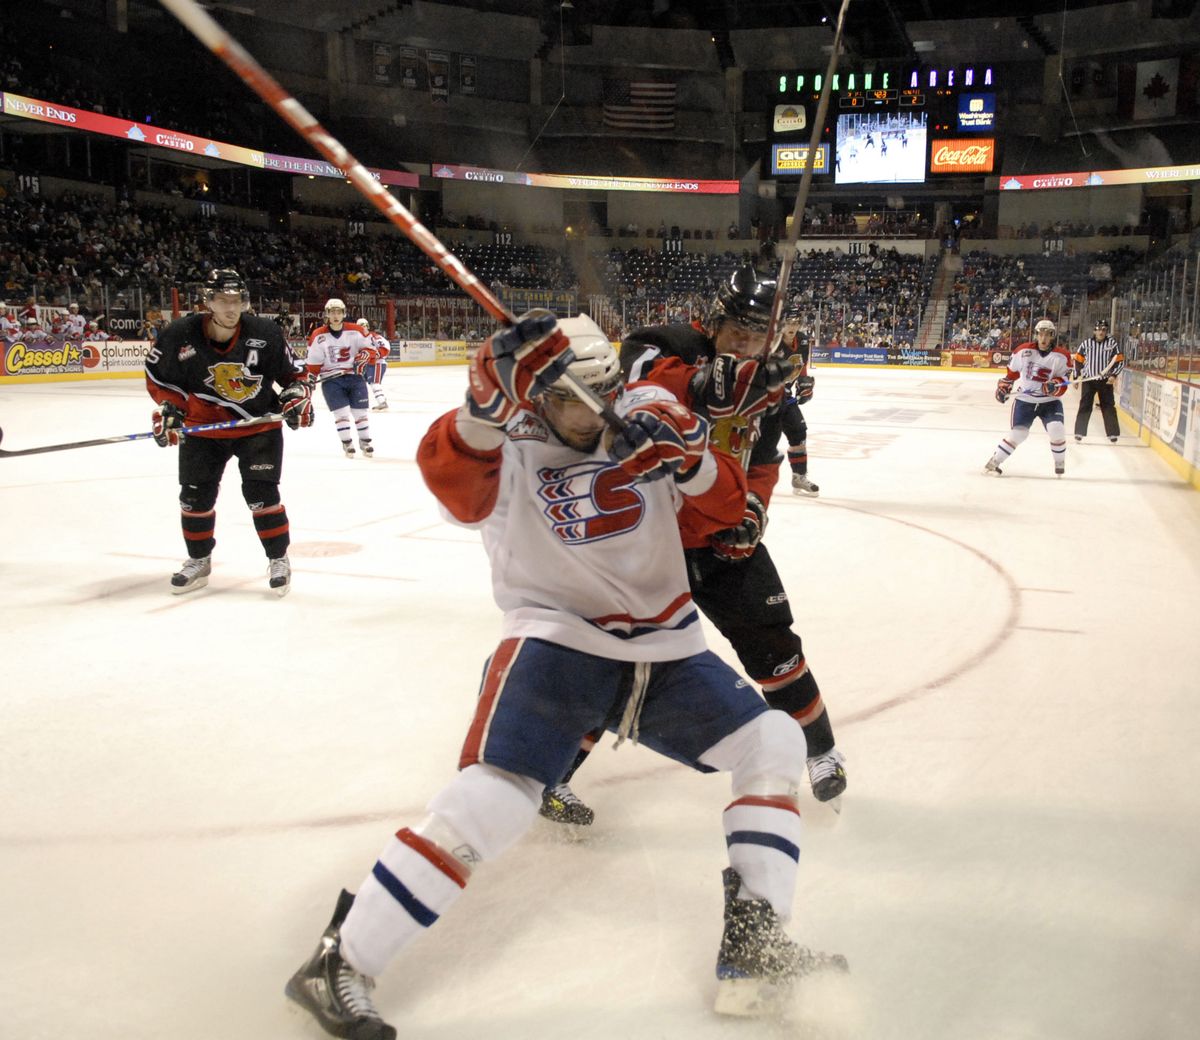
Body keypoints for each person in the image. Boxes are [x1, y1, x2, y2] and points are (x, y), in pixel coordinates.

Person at [284, 312, 847, 1038]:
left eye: (602, 391)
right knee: (499, 799)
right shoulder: (503, 442)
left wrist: (695, 460)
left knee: (771, 744)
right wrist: (484, 409)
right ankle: (340, 961)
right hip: (557, 645)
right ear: (534, 396)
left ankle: (755, 951)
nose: (591, 412)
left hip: (665, 649)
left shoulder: (647, 415)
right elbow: (451, 482)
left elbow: (727, 510)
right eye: (570, 397)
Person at [570, 267, 847, 815]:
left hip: (720, 541)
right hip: (645, 542)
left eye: (757, 336)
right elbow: (636, 378)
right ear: (714, 321)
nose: (745, 345)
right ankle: (553, 772)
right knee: (605, 660)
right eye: (737, 332)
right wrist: (700, 384)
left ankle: (822, 751)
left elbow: (763, 464)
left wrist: (754, 512)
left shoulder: (763, 391)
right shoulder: (667, 344)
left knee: (775, 648)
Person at [144, 268, 313, 596]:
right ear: (208, 301)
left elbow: (294, 376)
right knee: (194, 499)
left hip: (257, 425)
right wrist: (170, 409)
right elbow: (160, 378)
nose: (231, 308)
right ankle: (199, 561)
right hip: (203, 428)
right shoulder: (180, 334)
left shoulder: (265, 332)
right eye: (223, 300)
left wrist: (296, 398)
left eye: (237, 300)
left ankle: (278, 559)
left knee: (261, 495)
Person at [984, 317, 1071, 477]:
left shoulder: (1062, 356)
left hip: (1049, 402)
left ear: (1053, 335)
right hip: (1025, 401)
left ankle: (1059, 462)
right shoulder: (1023, 351)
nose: (1043, 338)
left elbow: (1064, 381)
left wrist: (1054, 386)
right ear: (1036, 334)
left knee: (1056, 429)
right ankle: (995, 461)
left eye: (1047, 334)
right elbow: (1010, 375)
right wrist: (1003, 389)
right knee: (1019, 434)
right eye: (1040, 334)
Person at [306, 298, 376, 457]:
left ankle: (365, 441)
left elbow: (371, 350)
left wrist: (364, 356)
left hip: (354, 377)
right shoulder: (318, 335)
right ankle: (347, 443)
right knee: (342, 413)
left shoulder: (356, 330)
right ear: (327, 315)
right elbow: (313, 362)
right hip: (331, 380)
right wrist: (310, 377)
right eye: (332, 312)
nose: (335, 315)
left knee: (360, 412)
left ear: (344, 313)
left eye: (338, 312)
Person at [777, 319, 819, 496]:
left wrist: (804, 384)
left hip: (786, 397)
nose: (792, 327)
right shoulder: (771, 341)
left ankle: (799, 477)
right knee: (757, 441)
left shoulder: (802, 341)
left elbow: (801, 368)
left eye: (796, 323)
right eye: (788, 322)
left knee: (799, 433)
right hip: (765, 397)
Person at [1072, 317, 1124, 443]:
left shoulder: (1112, 344)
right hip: (1088, 380)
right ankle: (1079, 432)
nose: (1101, 332)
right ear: (1094, 331)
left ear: (1106, 331)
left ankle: (1112, 433)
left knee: (1108, 406)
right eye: (1098, 330)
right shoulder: (1086, 344)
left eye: (1104, 330)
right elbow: (1078, 360)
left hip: (1105, 381)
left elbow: (1119, 360)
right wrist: (1075, 376)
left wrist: (1113, 375)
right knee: (1085, 405)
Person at [356, 317, 392, 411]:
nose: (363, 328)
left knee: (374, 383)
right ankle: (381, 400)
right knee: (369, 383)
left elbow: (385, 347)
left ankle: (382, 403)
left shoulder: (374, 337)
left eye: (364, 326)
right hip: (368, 364)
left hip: (377, 363)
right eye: (360, 326)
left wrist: (375, 355)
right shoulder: (357, 340)